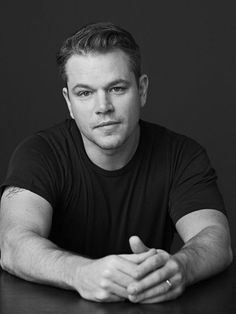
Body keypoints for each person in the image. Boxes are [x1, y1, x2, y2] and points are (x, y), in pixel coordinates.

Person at [0, 22, 232, 304]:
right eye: (85, 93)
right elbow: (13, 244)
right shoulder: (38, 154)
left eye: (117, 88)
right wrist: (80, 273)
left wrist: (181, 267)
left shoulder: (182, 154)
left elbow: (216, 239)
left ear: (142, 89)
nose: (103, 107)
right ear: (69, 103)